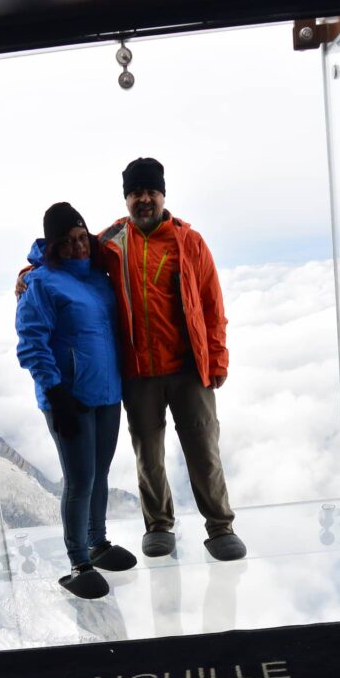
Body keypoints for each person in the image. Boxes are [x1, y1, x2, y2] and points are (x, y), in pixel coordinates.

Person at [98, 157, 246, 561]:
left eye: (151, 192)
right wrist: (28, 270)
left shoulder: (189, 242)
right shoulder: (111, 242)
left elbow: (213, 305)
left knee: (203, 448)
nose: (144, 199)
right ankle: (159, 524)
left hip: (188, 369)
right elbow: (66, 255)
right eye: (135, 193)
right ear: (126, 198)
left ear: (163, 195)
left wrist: (218, 359)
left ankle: (220, 527)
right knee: (148, 453)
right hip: (139, 371)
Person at [15, 202, 136, 599]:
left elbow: (121, 227)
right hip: (69, 398)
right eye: (67, 242)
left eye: (82, 237)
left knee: (99, 473)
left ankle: (97, 543)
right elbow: (31, 343)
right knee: (80, 479)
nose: (78, 246)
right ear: (52, 247)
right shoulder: (42, 283)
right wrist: (55, 393)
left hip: (106, 392)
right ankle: (77, 561)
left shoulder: (100, 278)